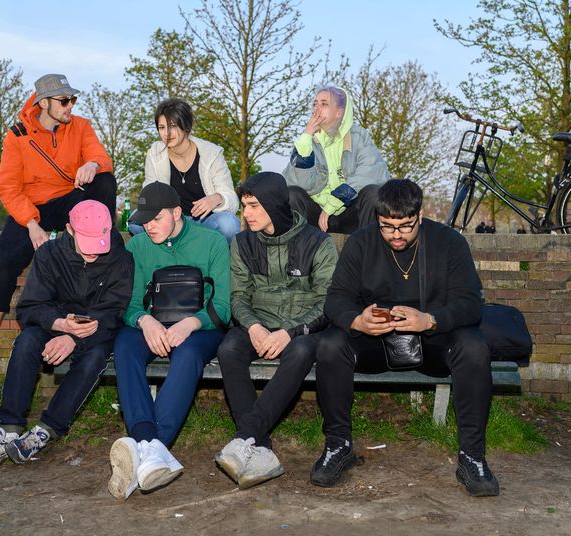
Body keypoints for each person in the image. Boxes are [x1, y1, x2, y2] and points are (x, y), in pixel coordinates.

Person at [312, 178, 500, 497]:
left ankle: (472, 456)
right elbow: (335, 300)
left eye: (405, 227)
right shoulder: (360, 242)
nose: (396, 235)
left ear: (420, 216)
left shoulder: (449, 242)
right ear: (378, 219)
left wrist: (430, 320)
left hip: (433, 341)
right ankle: (338, 445)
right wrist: (358, 321)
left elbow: (470, 304)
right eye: (387, 227)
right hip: (375, 342)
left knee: (473, 346)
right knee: (331, 344)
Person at [0, 73, 117, 385]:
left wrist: (93, 164)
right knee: (6, 262)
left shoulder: (81, 126)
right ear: (44, 103)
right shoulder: (17, 136)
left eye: (73, 99)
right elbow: (8, 188)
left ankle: (104, 247)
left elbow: (100, 156)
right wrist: (32, 225)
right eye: (64, 100)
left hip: (69, 200)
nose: (71, 105)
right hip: (30, 208)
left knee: (105, 180)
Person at [0, 200, 133, 468]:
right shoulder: (48, 254)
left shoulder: (121, 259)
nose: (94, 251)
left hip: (96, 331)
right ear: (69, 229)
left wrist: (74, 338)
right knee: (27, 341)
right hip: (53, 324)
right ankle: (8, 427)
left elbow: (115, 312)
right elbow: (29, 308)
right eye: (87, 241)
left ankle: (47, 430)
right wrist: (60, 324)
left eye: (99, 241)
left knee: (95, 358)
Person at [214, 171, 338, 489]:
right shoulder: (242, 243)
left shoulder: (318, 243)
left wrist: (290, 332)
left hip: (301, 329)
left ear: (273, 205)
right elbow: (238, 296)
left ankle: (245, 437)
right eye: (244, 206)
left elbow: (327, 302)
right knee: (228, 348)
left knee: (301, 350)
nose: (246, 214)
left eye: (254, 206)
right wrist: (253, 326)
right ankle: (261, 448)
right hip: (257, 322)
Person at [108, 182, 231, 500]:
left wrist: (191, 323)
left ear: (177, 213)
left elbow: (223, 307)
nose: (149, 226)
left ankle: (146, 451)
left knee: (188, 354)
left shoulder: (213, 242)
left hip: (200, 329)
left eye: (156, 218)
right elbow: (129, 304)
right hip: (153, 326)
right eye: (144, 220)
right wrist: (144, 320)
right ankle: (150, 446)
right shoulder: (138, 246)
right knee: (125, 346)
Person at [129, 98, 240, 244]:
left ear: (186, 126)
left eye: (173, 126)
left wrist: (217, 198)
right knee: (135, 222)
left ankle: (189, 245)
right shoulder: (154, 154)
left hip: (205, 222)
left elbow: (232, 200)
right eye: (162, 127)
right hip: (173, 222)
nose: (167, 133)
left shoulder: (211, 154)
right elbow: (149, 194)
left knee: (229, 224)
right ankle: (178, 246)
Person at [283, 85, 390, 233]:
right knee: (293, 194)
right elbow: (299, 184)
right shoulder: (307, 142)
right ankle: (300, 247)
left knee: (373, 193)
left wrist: (334, 202)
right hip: (317, 215)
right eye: (315, 104)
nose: (316, 109)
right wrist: (305, 140)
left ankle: (367, 246)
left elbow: (372, 173)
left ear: (339, 112)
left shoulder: (358, 136)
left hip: (350, 211)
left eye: (324, 104)